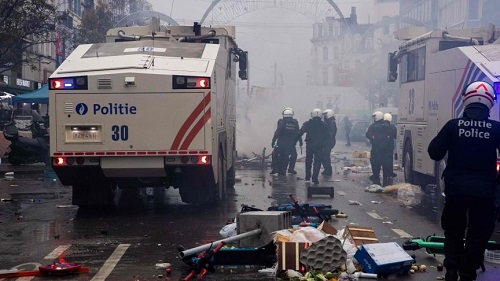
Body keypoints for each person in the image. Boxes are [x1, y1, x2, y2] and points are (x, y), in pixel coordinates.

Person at [428, 81, 500, 281]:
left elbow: (434, 152)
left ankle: (451, 269)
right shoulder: (496, 129)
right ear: (489, 104)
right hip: (484, 193)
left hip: (456, 191)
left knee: (453, 231)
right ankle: (468, 272)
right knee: (478, 234)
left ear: (466, 101)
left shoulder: (453, 126)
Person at [297, 108, 328, 185]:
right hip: (320, 146)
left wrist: (297, 140)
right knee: (317, 162)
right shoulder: (324, 125)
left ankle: (307, 176)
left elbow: (300, 132)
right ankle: (315, 178)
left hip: (310, 145)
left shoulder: (308, 124)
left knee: (308, 161)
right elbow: (328, 136)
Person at [271, 107, 300, 176]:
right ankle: (290, 169)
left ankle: (275, 169)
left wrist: (273, 140)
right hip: (291, 143)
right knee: (293, 155)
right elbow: (298, 132)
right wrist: (300, 141)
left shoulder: (281, 121)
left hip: (281, 142)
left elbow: (278, 132)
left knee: (275, 155)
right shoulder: (295, 122)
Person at [365, 111, 392, 186]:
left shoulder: (373, 126)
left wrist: (372, 139)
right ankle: (386, 176)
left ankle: (376, 176)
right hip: (386, 148)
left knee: (375, 162)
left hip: (376, 148)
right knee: (385, 162)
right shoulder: (387, 125)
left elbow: (367, 134)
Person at [321, 109, 337, 176]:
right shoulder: (329, 122)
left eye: (325, 115)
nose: (324, 117)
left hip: (328, 142)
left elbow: (331, 133)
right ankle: (327, 169)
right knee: (324, 156)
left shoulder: (331, 123)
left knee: (325, 156)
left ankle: (328, 170)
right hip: (327, 141)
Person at [382, 113, 397, 183]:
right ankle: (390, 172)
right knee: (390, 159)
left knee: (383, 159)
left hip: (382, 145)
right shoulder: (392, 127)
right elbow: (395, 136)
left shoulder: (381, 126)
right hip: (390, 145)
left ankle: (385, 174)